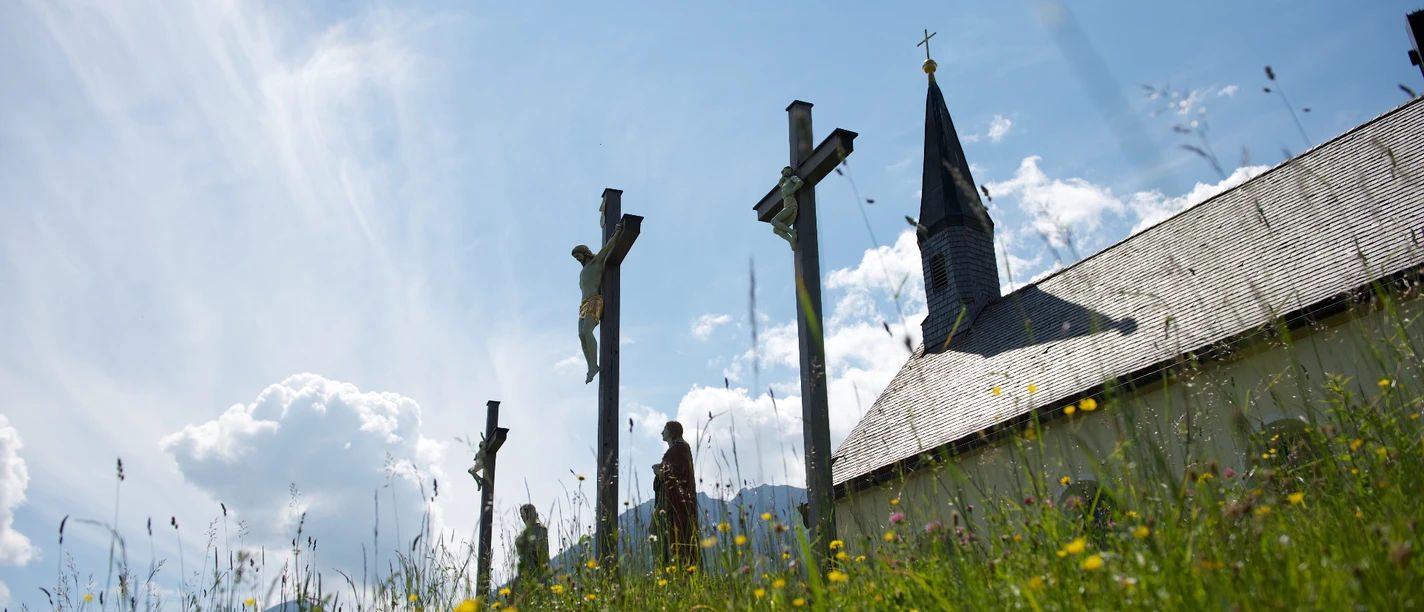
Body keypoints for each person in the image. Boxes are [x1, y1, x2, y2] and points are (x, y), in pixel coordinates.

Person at [571, 222, 626, 384]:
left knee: (587, 332)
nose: (577, 259)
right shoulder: (584, 269)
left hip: (595, 301)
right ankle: (591, 366)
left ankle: (594, 365)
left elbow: (608, 247)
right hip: (583, 305)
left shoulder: (596, 263)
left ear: (585, 253)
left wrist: (616, 232)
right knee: (581, 335)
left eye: (578, 256)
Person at [654, 421, 698, 568]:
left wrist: (660, 472)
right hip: (668, 498)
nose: (662, 432)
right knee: (656, 530)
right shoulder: (677, 450)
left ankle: (670, 566)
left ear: (672, 431)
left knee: (663, 530)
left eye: (664, 429)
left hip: (674, 502)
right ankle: (663, 566)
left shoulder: (679, 449)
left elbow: (679, 475)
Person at [514, 504, 550, 587]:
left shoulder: (539, 529)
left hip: (535, 570)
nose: (523, 518)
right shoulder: (537, 529)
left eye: (523, 515)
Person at [769, 166, 804, 251]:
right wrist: (782, 175)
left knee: (774, 221)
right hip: (786, 204)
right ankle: (791, 240)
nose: (786, 172)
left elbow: (800, 182)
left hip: (791, 204)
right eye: (785, 171)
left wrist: (791, 191)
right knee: (776, 229)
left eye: (788, 170)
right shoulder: (784, 183)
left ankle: (792, 232)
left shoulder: (792, 178)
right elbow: (780, 183)